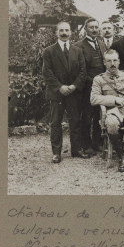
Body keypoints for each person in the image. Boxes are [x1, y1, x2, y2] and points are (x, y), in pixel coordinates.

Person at [41, 21, 90, 163]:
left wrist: (74, 86)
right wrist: (60, 87)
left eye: (67, 30)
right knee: (55, 123)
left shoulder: (78, 51)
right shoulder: (49, 51)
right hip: (57, 93)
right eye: (61, 30)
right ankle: (56, 153)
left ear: (71, 32)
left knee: (75, 121)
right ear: (56, 32)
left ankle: (76, 149)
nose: (64, 33)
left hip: (74, 93)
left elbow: (83, 71)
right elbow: (47, 72)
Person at [73, 18, 106, 155]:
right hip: (87, 87)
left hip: (102, 86)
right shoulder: (78, 46)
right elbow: (79, 69)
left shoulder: (102, 44)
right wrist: (91, 82)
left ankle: (97, 142)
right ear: (86, 29)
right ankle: (85, 144)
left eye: (96, 27)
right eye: (91, 27)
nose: (94, 30)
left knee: (100, 115)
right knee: (87, 116)